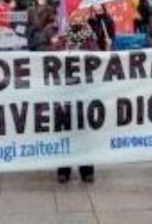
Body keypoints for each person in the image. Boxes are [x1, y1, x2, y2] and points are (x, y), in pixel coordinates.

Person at [57, 12, 99, 184]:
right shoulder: (61, 39)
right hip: (65, 91)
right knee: (65, 131)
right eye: (73, 18)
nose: (76, 20)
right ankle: (63, 169)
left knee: (84, 132)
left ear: (84, 20)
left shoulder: (90, 39)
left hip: (85, 92)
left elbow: (97, 59)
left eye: (79, 18)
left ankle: (86, 170)